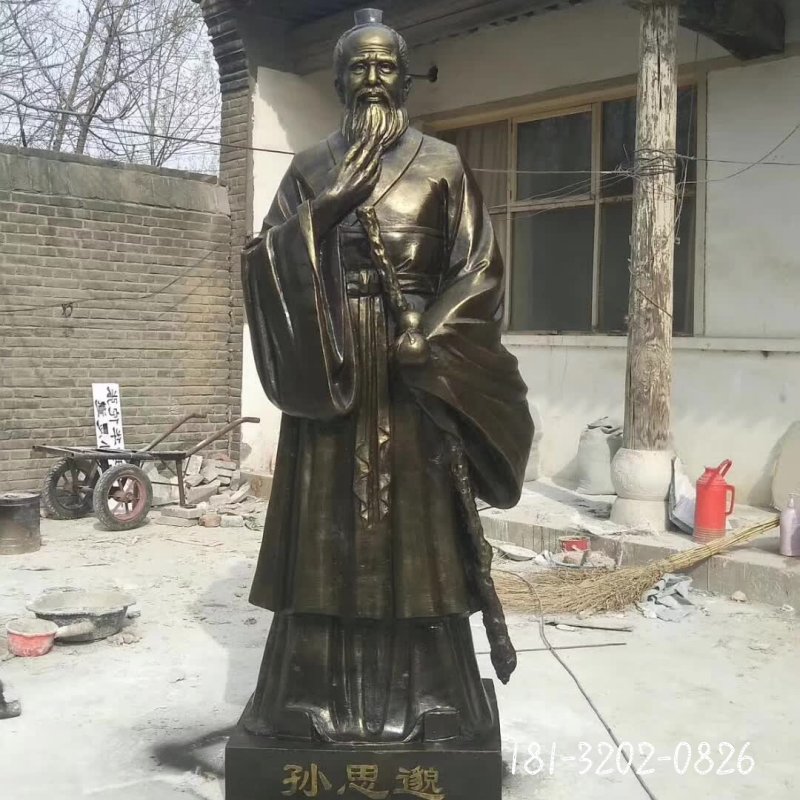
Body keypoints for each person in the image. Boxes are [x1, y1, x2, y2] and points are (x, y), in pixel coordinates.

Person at [241, 7, 533, 744]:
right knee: (324, 530)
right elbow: (263, 260)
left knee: (421, 531)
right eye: (359, 67)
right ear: (340, 82)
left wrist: (429, 337)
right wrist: (328, 210)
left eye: (385, 66)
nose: (372, 78)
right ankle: (307, 699)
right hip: (332, 364)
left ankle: (434, 698)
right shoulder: (309, 168)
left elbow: (480, 270)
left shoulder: (444, 163)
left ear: (405, 80)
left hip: (417, 369)